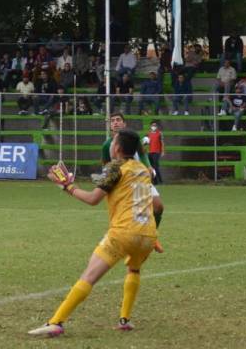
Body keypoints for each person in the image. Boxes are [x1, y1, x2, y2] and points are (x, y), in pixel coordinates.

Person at [28, 130, 157, 338]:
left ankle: (56, 322)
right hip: (148, 234)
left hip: (123, 233)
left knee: (88, 276)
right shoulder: (143, 169)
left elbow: (92, 199)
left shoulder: (114, 167)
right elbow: (155, 204)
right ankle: (124, 320)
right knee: (134, 270)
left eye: (113, 142)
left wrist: (67, 186)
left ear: (117, 148)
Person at [101, 112, 164, 252]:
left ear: (124, 123)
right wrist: (107, 179)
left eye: (118, 120)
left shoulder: (132, 139)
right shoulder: (107, 145)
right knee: (124, 216)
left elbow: (142, 154)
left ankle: (152, 236)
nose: (115, 122)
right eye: (112, 121)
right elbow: (105, 164)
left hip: (140, 178)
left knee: (158, 207)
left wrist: (148, 166)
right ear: (110, 125)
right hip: (122, 183)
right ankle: (118, 242)